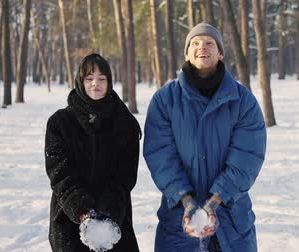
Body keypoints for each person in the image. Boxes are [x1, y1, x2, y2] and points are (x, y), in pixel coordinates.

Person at [143, 22, 267, 252]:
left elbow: (247, 157)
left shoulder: (243, 102)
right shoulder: (164, 100)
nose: (202, 47)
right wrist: (186, 200)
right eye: (195, 43)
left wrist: (216, 200)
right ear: (187, 53)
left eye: (210, 43)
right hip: (179, 220)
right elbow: (160, 156)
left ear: (220, 53)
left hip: (231, 220)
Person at [45, 53, 141, 252]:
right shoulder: (60, 123)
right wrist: (84, 213)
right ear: (80, 81)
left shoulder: (126, 124)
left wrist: (107, 216)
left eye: (101, 79)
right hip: (70, 219)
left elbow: (125, 177)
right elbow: (61, 175)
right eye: (89, 78)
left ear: (109, 82)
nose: (95, 84)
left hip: (114, 219)